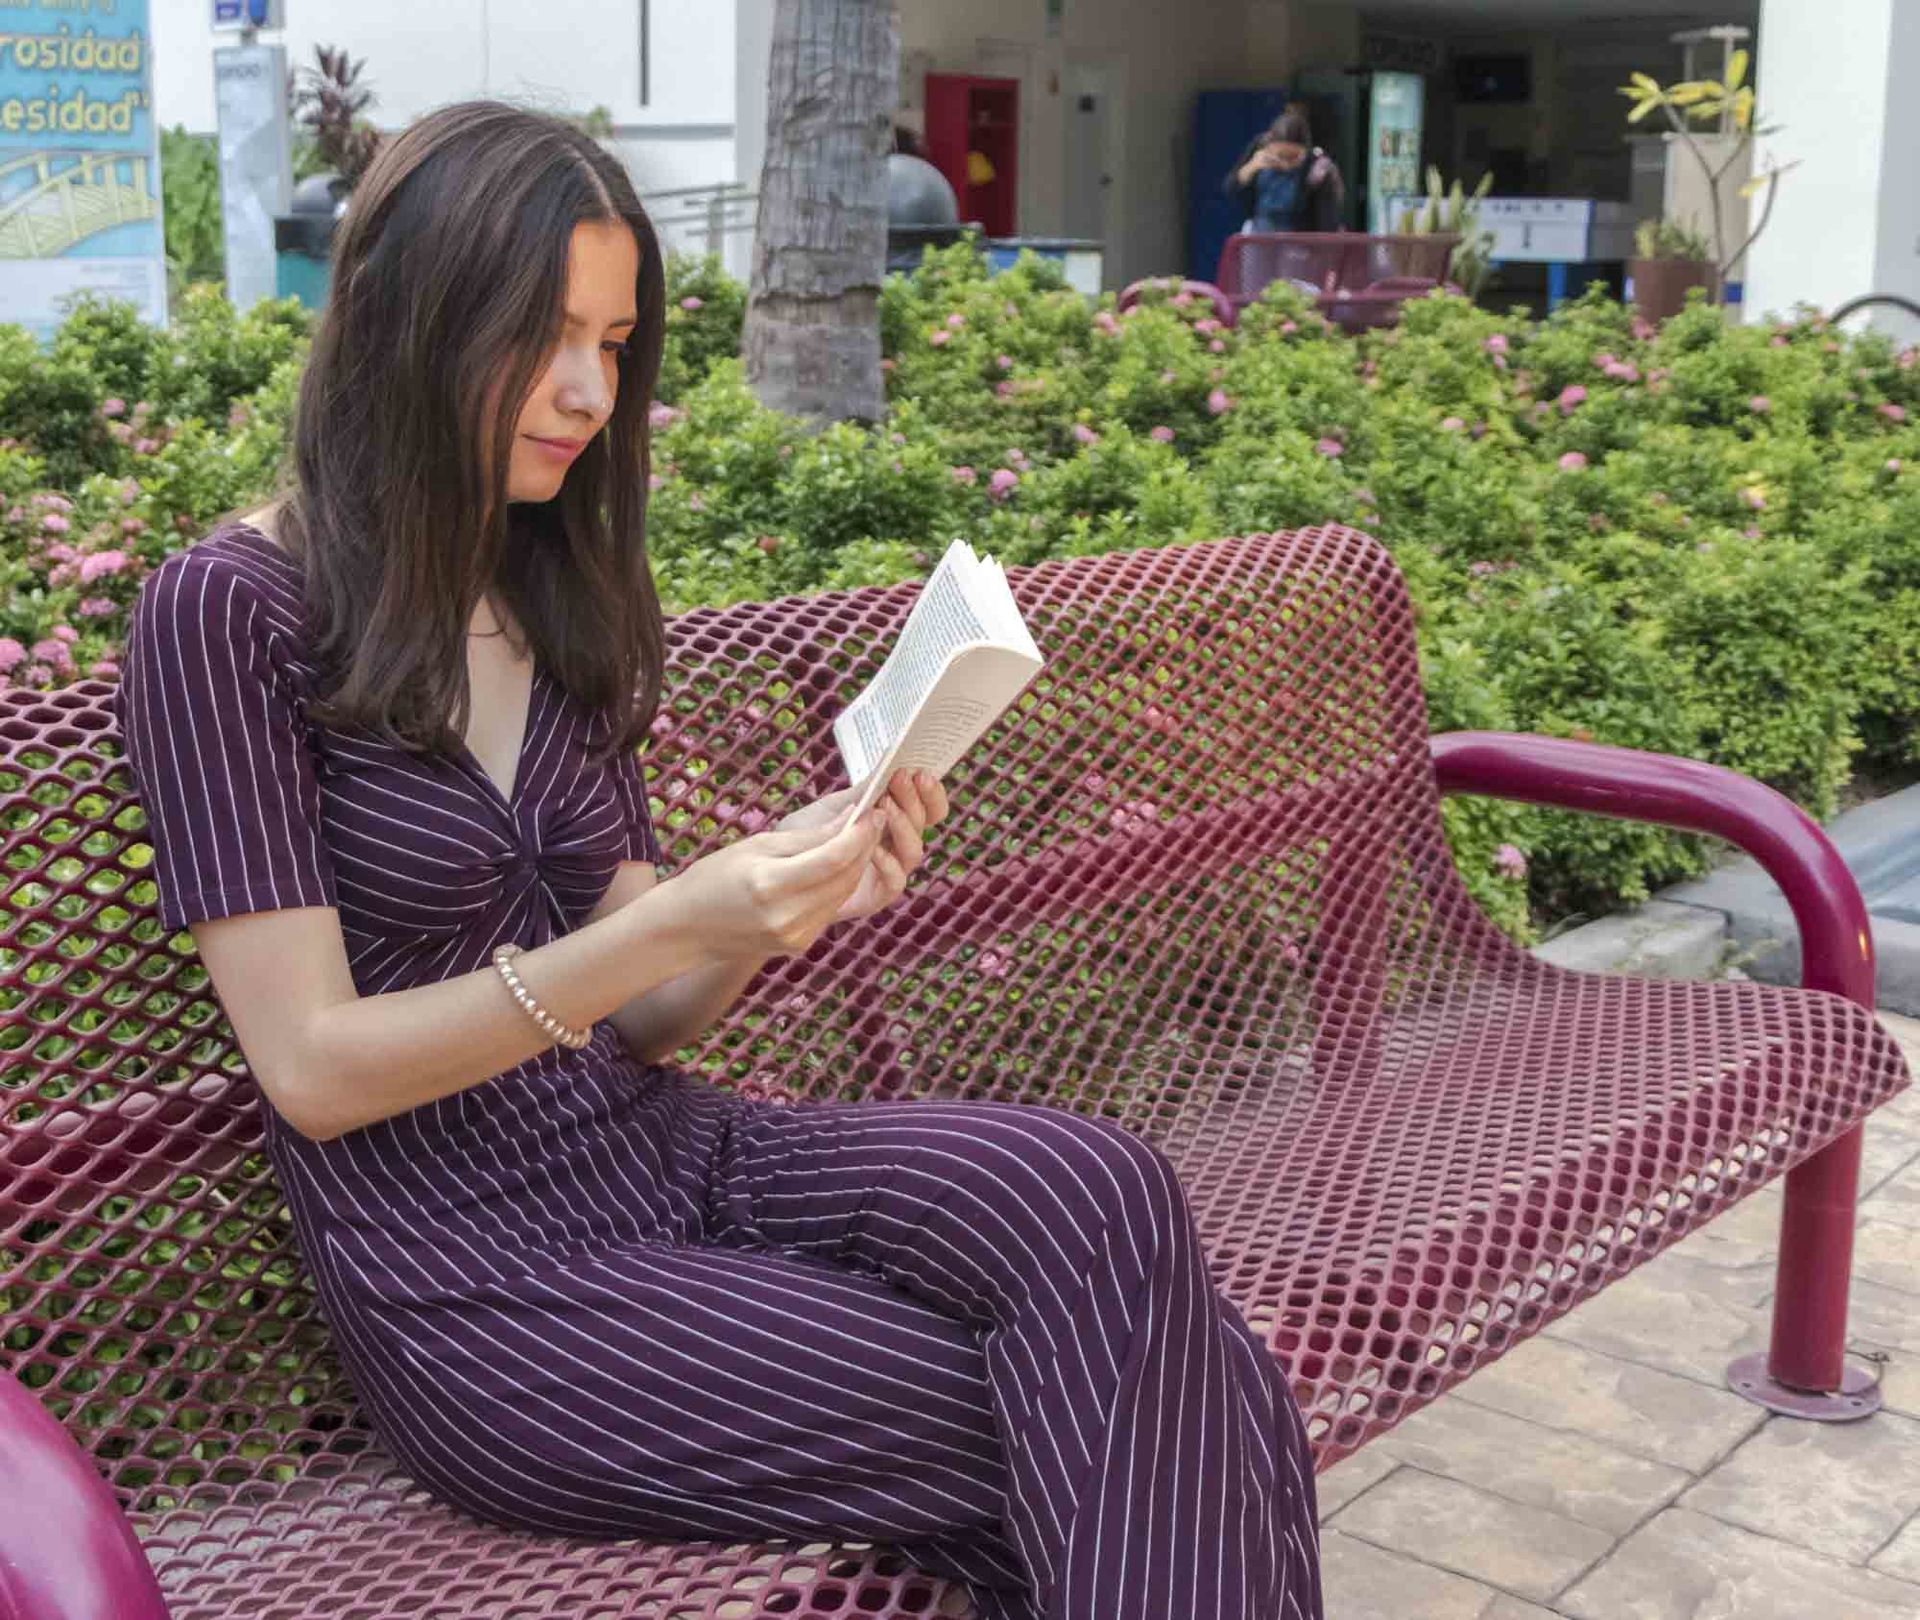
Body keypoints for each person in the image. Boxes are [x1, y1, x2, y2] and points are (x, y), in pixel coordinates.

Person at [113, 101, 1323, 1620]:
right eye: (544, 335)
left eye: (615, 346)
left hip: (669, 1159)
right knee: (1157, 1404)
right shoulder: (229, 616)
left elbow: (647, 1013)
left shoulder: (540, 583)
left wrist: (779, 899)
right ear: (407, 324)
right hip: (486, 1295)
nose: (583, 392)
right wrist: (672, 918)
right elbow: (314, 1065)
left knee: (1097, 1185)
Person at [1224, 109, 1346, 234]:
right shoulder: (1258, 150)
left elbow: (1327, 219)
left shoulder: (1317, 167)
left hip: (1298, 239)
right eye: (1280, 155)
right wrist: (1250, 168)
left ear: (1305, 151)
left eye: (1293, 157)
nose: (1286, 164)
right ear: (1269, 147)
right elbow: (1231, 189)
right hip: (1259, 232)